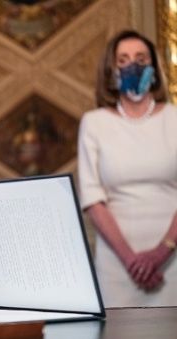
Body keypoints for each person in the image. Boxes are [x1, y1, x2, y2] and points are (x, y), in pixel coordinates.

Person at [78, 30, 177, 307]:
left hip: (173, 259)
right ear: (112, 70)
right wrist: (132, 260)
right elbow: (92, 198)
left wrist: (162, 252)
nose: (133, 65)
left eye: (141, 58)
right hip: (118, 266)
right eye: (123, 60)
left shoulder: (175, 119)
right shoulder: (94, 122)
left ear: (154, 68)